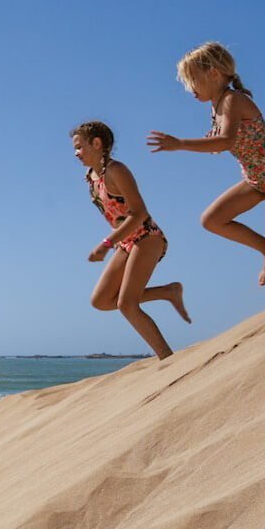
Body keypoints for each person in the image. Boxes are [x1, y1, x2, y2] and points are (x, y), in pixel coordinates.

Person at [148, 42, 265, 288]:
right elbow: (221, 142)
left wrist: (180, 143)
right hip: (255, 179)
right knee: (211, 220)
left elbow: (226, 141)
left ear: (213, 74)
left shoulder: (232, 99)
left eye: (192, 79)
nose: (189, 88)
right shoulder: (216, 107)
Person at [72, 121, 190, 360]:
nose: (76, 153)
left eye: (79, 147)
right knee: (102, 300)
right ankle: (168, 291)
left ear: (97, 144)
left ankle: (167, 359)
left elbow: (140, 213)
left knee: (127, 304)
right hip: (126, 243)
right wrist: (116, 242)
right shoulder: (91, 177)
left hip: (147, 237)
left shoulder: (117, 171)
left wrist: (106, 244)